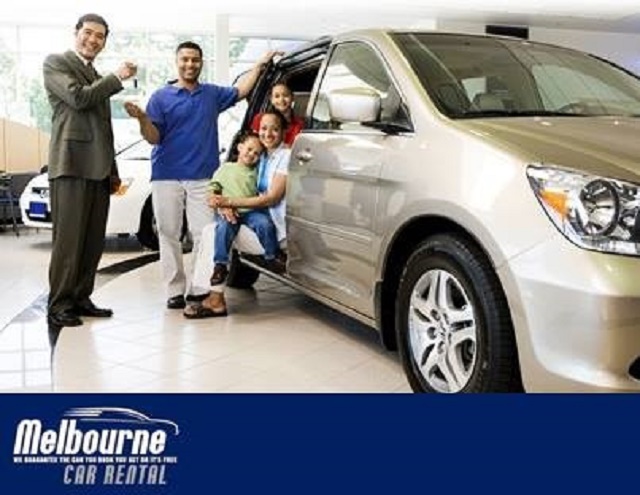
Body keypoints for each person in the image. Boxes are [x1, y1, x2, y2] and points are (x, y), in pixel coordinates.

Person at [124, 41, 278, 310]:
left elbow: (242, 90)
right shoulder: (160, 97)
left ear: (201, 63)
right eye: (185, 59)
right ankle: (174, 290)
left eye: (195, 60)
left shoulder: (211, 94)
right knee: (169, 232)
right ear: (177, 62)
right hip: (166, 174)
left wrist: (260, 65)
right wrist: (142, 119)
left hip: (203, 177)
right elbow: (154, 138)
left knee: (205, 233)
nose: (190, 64)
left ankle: (199, 288)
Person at [44, 13, 137, 328]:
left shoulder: (95, 75)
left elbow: (103, 129)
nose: (93, 40)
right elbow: (78, 98)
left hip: (99, 170)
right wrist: (117, 77)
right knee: (68, 242)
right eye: (88, 33)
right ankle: (59, 304)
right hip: (70, 165)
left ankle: (81, 297)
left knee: (92, 240)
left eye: (100, 36)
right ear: (76, 33)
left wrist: (113, 170)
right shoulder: (56, 63)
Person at [184, 110, 290, 318]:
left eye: (275, 129)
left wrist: (229, 202)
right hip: (249, 217)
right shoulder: (262, 158)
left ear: (283, 132)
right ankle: (217, 275)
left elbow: (271, 198)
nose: (268, 134)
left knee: (212, 232)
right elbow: (219, 188)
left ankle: (215, 297)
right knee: (214, 230)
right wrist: (223, 206)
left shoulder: (283, 156)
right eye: (264, 129)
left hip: (271, 225)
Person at [209, 131, 281, 288]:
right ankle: (220, 265)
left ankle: (272, 257)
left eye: (257, 153)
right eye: (249, 149)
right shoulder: (226, 168)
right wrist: (220, 204)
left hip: (250, 211)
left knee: (265, 223)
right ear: (240, 147)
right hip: (230, 211)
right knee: (223, 229)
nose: (252, 154)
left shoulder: (257, 172)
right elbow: (214, 188)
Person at [250, 82, 304, 146]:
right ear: (271, 99)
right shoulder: (260, 118)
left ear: (292, 97)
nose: (281, 100)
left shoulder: (299, 124)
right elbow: (254, 144)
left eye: (285, 95)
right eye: (277, 96)